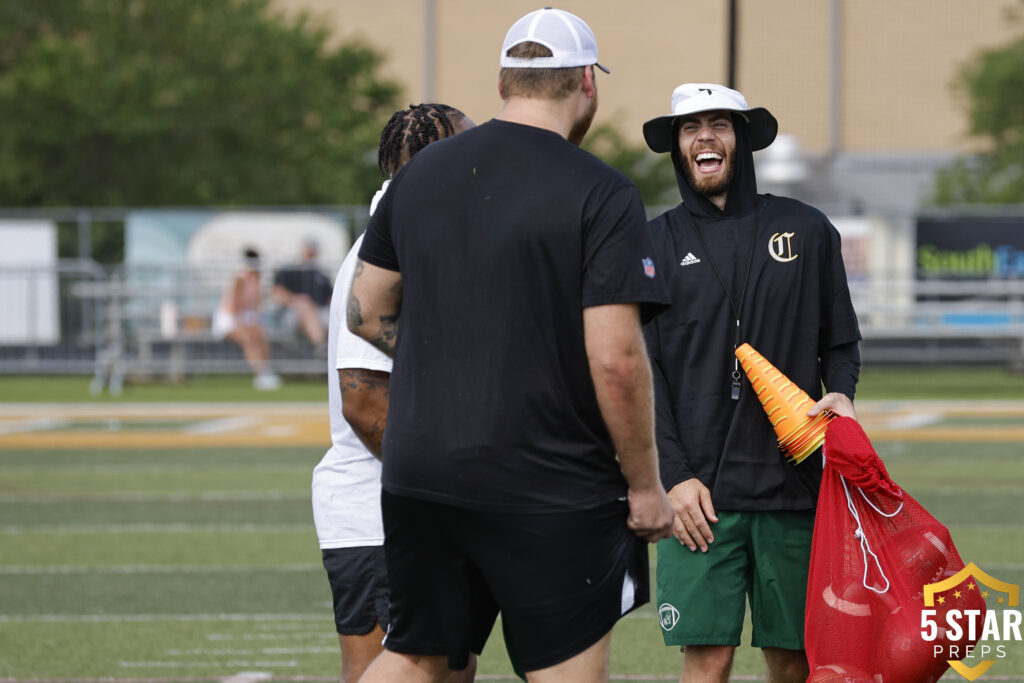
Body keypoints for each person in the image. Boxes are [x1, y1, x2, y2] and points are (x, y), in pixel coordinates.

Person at [347, 8, 675, 683]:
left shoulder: (420, 173)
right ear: (587, 81)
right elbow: (614, 358)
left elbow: (365, 309)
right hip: (547, 474)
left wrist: (446, 350)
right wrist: (646, 486)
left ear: (503, 83)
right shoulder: (601, 191)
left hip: (420, 466)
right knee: (563, 665)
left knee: (414, 653)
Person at [640, 82, 862, 682]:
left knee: (794, 662)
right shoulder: (651, 244)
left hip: (791, 488)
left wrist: (840, 391)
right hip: (698, 498)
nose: (704, 136)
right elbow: (643, 374)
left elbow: (840, 342)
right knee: (706, 661)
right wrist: (673, 476)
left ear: (742, 139)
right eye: (690, 127)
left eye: (719, 124)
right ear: (678, 147)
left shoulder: (807, 229)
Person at [311, 103, 476, 683]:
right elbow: (362, 398)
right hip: (380, 512)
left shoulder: (427, 236)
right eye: (470, 147)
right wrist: (447, 483)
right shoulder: (385, 250)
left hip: (413, 507)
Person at [212, 246, 280, 390]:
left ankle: (266, 370)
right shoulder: (240, 278)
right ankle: (260, 374)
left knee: (261, 335)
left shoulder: (257, 277)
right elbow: (233, 305)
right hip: (229, 319)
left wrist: (255, 321)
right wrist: (241, 323)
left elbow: (255, 304)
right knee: (249, 337)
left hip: (245, 317)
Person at [271, 238, 333, 355]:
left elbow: (330, 299)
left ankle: (329, 348)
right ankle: (322, 347)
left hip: (320, 313)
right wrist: (295, 300)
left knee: (332, 317)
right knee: (305, 307)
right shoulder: (289, 270)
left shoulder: (321, 274)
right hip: (293, 313)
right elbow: (276, 293)